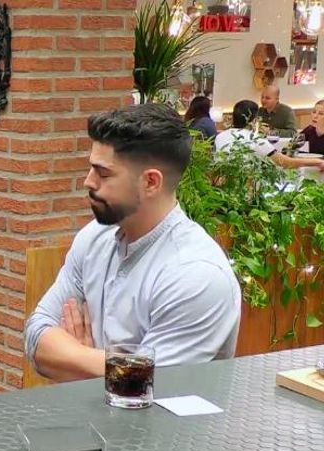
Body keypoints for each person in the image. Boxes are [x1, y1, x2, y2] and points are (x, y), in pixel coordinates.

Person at [25, 104, 241, 382]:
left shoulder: (196, 274)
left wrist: (76, 360)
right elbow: (35, 337)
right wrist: (111, 368)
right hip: (92, 422)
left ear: (151, 182)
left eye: (103, 174)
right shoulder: (94, 239)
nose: (88, 182)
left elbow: (146, 387)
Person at [214, 100, 324, 171]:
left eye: (321, 113)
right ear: (254, 120)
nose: (315, 116)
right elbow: (284, 162)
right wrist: (317, 161)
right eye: (314, 112)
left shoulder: (220, 136)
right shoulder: (255, 140)